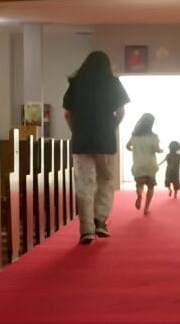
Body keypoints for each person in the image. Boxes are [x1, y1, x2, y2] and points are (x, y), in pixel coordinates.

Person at [63, 50, 130, 244]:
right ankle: (100, 220)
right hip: (105, 141)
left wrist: (76, 130)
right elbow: (121, 112)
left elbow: (67, 114)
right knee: (105, 180)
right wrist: (111, 126)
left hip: (81, 141)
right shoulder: (113, 83)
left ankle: (86, 230)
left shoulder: (75, 84)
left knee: (84, 185)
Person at [126, 113, 162, 214]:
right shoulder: (154, 136)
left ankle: (139, 195)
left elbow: (127, 146)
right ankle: (146, 208)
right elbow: (156, 149)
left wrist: (134, 150)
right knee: (150, 187)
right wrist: (160, 150)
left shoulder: (134, 136)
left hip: (138, 165)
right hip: (150, 165)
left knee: (139, 184)